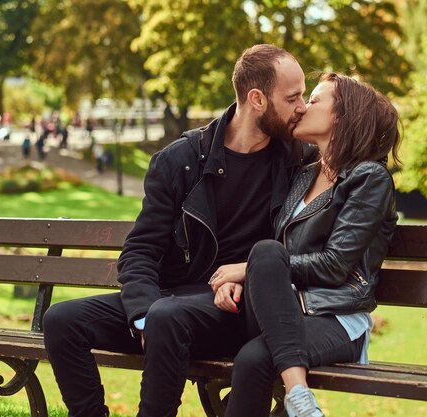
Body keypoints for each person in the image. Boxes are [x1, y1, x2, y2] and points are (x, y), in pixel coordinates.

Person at [42, 44, 315, 417]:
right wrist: (142, 315)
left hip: (235, 308)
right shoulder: (182, 160)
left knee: (166, 316)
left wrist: (245, 274)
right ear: (257, 99)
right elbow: (140, 251)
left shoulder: (296, 157)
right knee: (61, 320)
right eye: (293, 97)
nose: (303, 106)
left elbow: (354, 151)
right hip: (169, 302)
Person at [210, 73, 401, 417]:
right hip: (285, 310)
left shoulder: (368, 178)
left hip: (337, 317)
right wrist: (244, 277)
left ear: (341, 116)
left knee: (254, 357)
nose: (301, 108)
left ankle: (297, 398)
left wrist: (248, 269)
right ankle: (299, 400)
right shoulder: (303, 175)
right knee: (265, 254)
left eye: (313, 100)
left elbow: (335, 265)